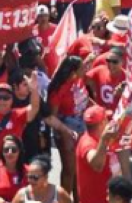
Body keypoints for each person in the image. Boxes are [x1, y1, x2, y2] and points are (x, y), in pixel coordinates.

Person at [48, 56, 89, 194]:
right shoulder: (58, 90)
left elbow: (86, 99)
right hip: (66, 128)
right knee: (69, 170)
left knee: (79, 170)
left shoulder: (79, 80)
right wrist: (65, 131)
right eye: (82, 68)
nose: (85, 69)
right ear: (73, 72)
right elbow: (51, 117)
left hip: (82, 124)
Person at [75, 105, 120, 203]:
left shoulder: (101, 138)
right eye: (107, 118)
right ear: (103, 123)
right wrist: (104, 139)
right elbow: (97, 166)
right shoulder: (87, 142)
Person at [0, 135, 29, 203]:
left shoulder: (28, 170)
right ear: (2, 152)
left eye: (14, 150)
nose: (10, 153)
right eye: (6, 150)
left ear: (19, 151)